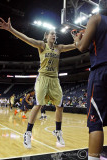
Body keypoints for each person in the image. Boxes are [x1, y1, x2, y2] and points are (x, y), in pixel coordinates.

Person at [0, 17, 76, 149]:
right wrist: (11, 29)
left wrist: (77, 38)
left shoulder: (59, 48)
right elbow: (26, 39)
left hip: (54, 79)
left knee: (60, 106)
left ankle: (58, 131)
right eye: (52, 33)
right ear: (46, 36)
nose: (54, 35)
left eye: (55, 34)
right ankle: (28, 133)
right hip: (43, 78)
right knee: (38, 105)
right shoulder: (42, 45)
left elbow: (76, 46)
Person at [74, 0, 107, 159]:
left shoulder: (96, 18)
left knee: (95, 123)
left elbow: (82, 47)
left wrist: (77, 39)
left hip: (101, 71)